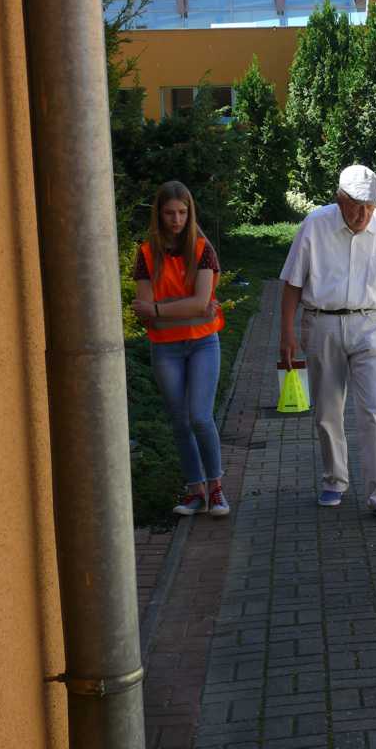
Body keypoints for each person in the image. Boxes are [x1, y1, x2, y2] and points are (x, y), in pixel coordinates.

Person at [279, 165, 376, 521]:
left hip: (369, 324)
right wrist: (287, 333)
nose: (362, 215)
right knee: (327, 410)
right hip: (321, 322)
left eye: (369, 207)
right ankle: (335, 479)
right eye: (355, 206)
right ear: (339, 199)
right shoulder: (315, 224)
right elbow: (292, 282)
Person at [131, 181, 230, 518]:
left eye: (183, 212)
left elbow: (201, 303)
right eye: (170, 212)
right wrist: (186, 307)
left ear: (190, 214)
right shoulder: (146, 254)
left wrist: (162, 308)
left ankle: (216, 489)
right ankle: (194, 491)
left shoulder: (203, 250)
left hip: (203, 343)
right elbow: (144, 309)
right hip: (165, 349)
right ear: (159, 214)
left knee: (200, 417)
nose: (176, 219)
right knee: (179, 422)